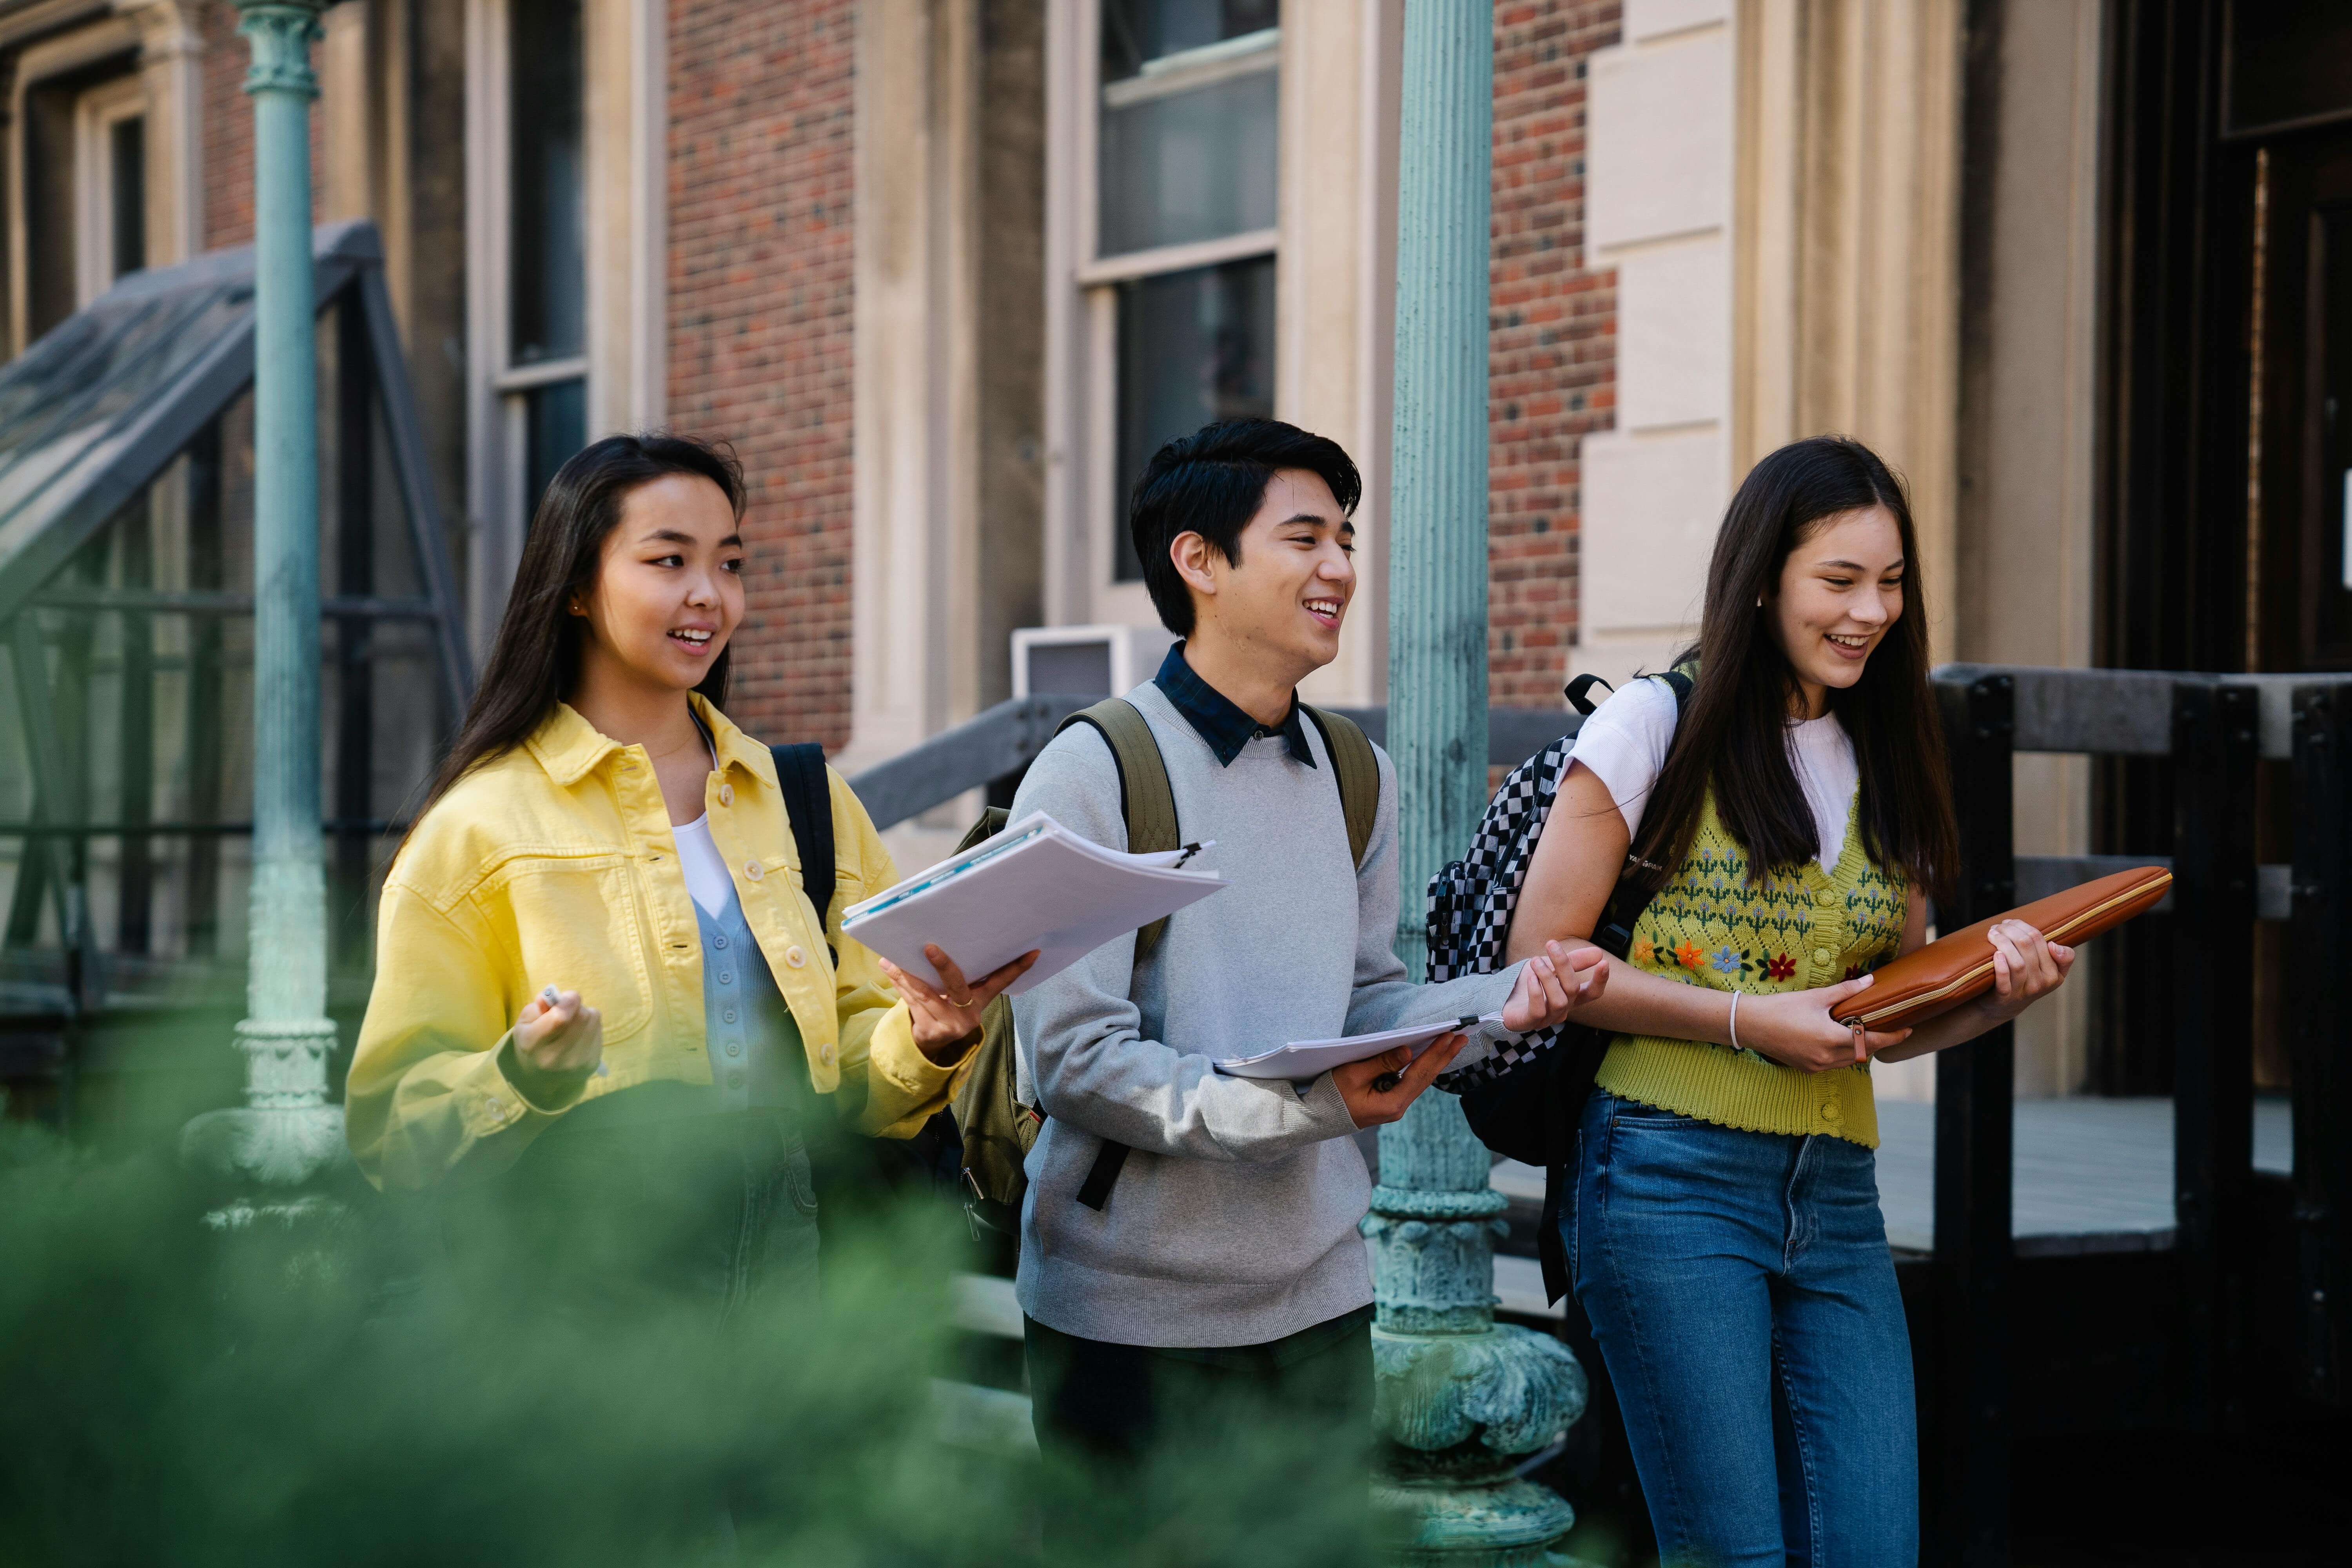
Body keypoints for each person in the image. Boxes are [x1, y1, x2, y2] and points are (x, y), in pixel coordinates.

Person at [1504, 435, 2073, 1564]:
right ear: (1763, 579)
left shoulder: (1895, 748)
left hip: (1839, 1194)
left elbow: (1883, 1019)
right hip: (1665, 1181)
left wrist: (1999, 996)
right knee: (1735, 1556)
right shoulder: (1653, 727)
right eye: (1841, 581)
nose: (1872, 611)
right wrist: (1744, 1020)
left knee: (1871, 1547)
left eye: (1893, 582)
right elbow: (1545, 961)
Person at [1006, 418, 1609, 1479]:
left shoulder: (1353, 771)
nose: (1339, 567)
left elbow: (1365, 1001)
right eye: (1305, 538)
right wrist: (1306, 1107)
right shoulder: (1090, 772)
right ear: (1198, 561)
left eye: (1346, 537)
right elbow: (1074, 1065)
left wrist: (1495, 1005)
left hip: (1327, 1297)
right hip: (1128, 1319)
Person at [346, 432, 1033, 1315]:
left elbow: (856, 1081)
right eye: (669, 561)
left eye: (730, 563)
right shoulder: (480, 828)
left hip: (802, 1266)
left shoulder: (803, 798)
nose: (710, 595)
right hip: (582, 1286)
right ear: (578, 588)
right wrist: (519, 1073)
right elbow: (393, 1129)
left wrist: (932, 1034)